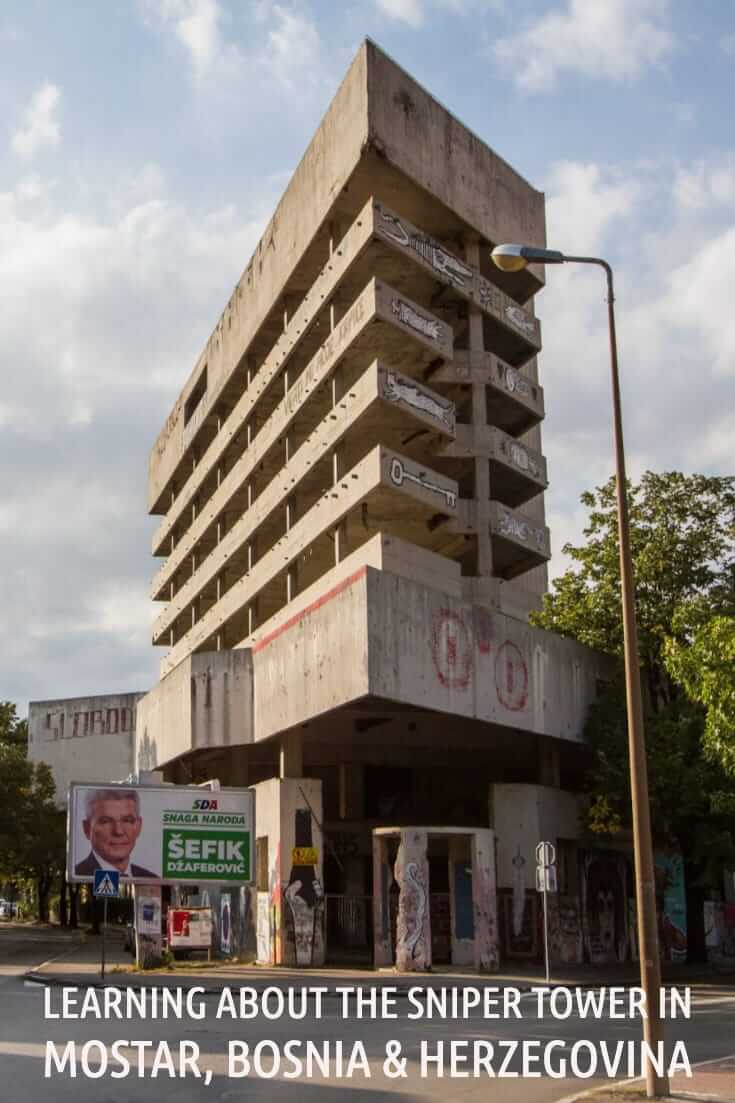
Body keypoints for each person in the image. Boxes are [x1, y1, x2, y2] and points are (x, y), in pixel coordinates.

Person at [74, 788, 158, 878]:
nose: (118, 831)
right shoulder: (77, 875)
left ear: (138, 826)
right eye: (106, 821)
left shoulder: (152, 879)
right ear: (87, 828)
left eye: (127, 820)